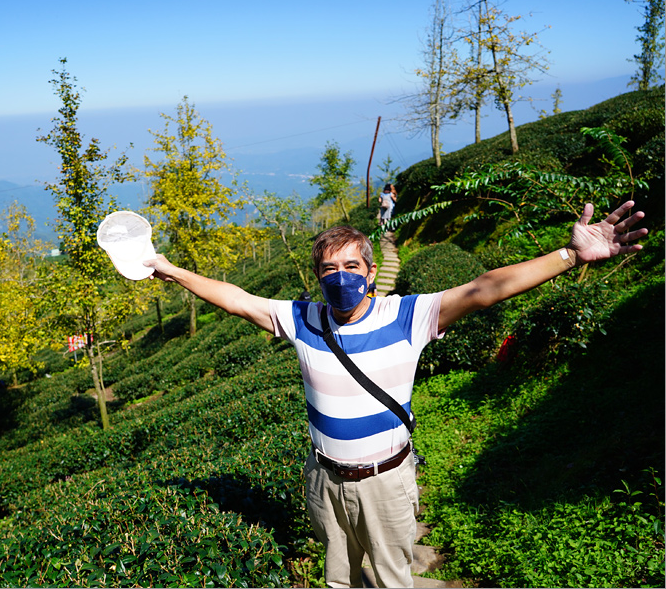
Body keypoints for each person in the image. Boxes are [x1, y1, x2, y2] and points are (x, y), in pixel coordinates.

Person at [143, 201, 646, 588]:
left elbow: (485, 287)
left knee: (390, 578)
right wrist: (174, 272)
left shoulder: (408, 316)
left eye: (351, 267)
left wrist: (570, 255)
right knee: (339, 576)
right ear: (317, 278)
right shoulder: (303, 319)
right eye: (328, 270)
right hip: (324, 479)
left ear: (369, 273)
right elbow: (236, 299)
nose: (340, 278)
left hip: (385, 481)